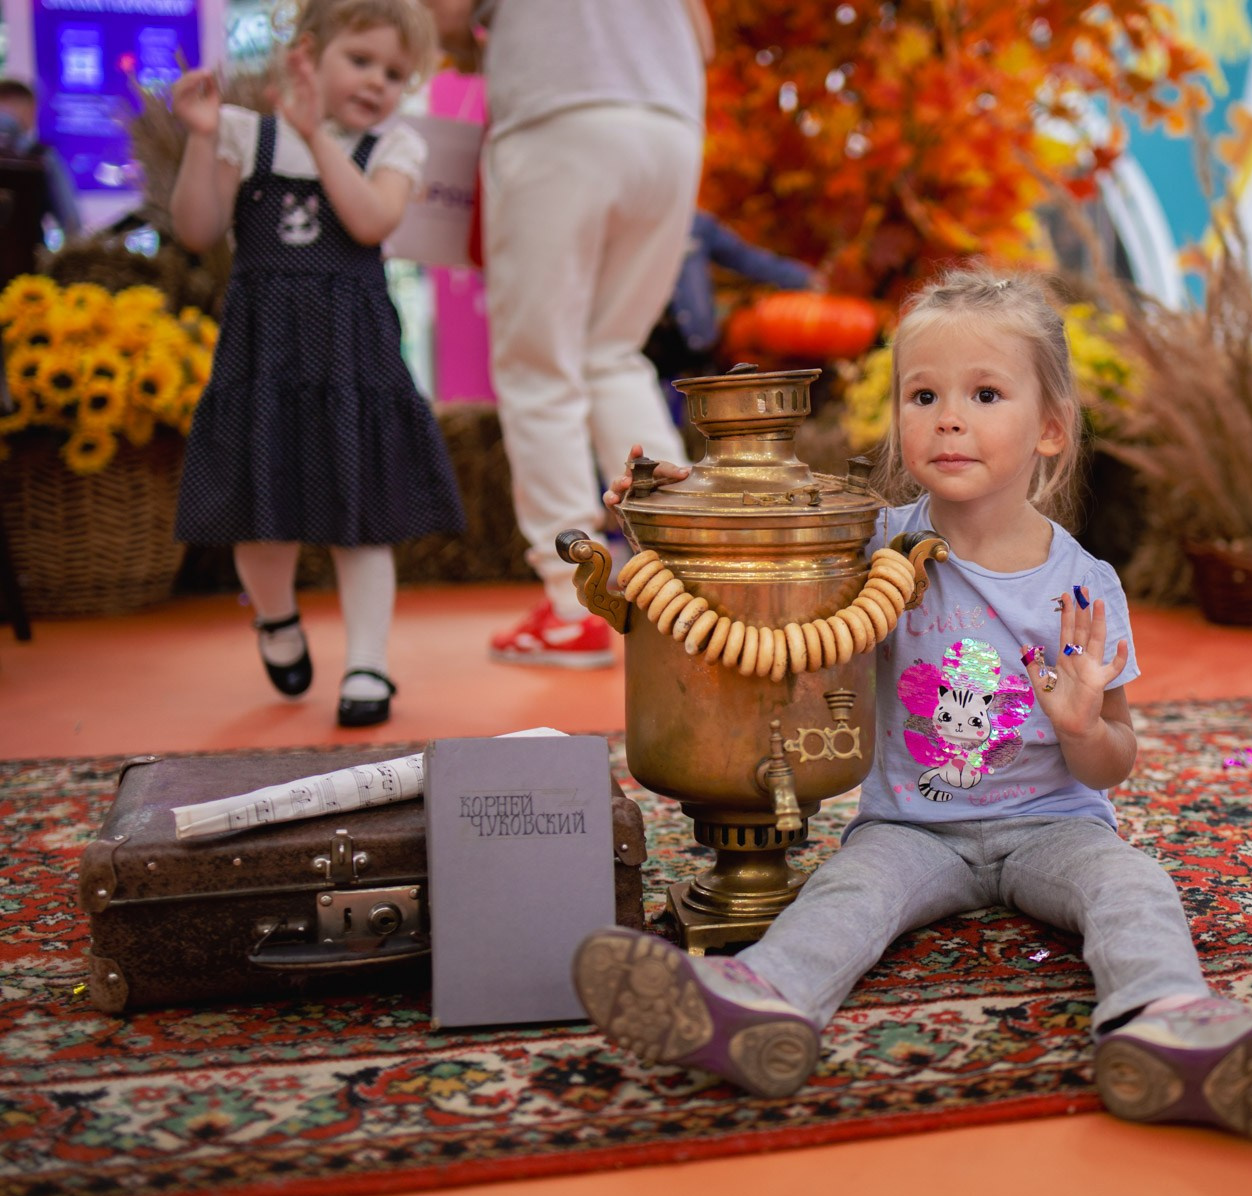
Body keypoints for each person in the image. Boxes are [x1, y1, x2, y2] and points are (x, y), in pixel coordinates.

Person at [576, 267, 1252, 1137]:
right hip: (912, 829)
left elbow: (1115, 760)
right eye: (923, 396)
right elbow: (768, 548)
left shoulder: (1085, 585)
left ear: (1051, 428)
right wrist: (685, 500)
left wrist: (1082, 729)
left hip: (1056, 825)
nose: (948, 418)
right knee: (845, 894)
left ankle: (1166, 1023)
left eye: (985, 394)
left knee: (1135, 887)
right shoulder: (873, 544)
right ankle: (755, 1003)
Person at [168, 0, 465, 729]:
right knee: (261, 521)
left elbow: (370, 220)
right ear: (308, 52)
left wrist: (315, 136)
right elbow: (198, 229)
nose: (376, 82)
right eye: (360, 60)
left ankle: (368, 662)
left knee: (360, 519)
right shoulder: (246, 134)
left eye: (394, 73)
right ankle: (275, 617)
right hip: (263, 358)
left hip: (352, 361)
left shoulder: (394, 147)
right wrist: (203, 138)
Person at [419, 0, 709, 669]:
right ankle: (691, 582)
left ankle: (573, 603)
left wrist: (468, 45)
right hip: (669, 118)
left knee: (538, 367)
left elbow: (448, 12)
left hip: (558, 110)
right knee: (613, 353)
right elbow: (704, 36)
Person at [644, 209, 820, 425]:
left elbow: (745, 258)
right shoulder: (627, 227)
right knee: (653, 422)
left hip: (695, 348)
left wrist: (802, 279)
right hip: (647, 348)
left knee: (700, 424)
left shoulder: (696, 224)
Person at [0, 79, 81, 247]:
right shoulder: (45, 158)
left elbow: (71, 222)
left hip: (27, 254)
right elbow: (71, 221)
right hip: (27, 255)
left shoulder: (44, 157)